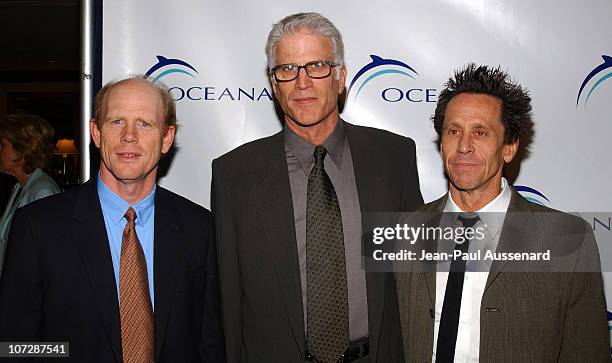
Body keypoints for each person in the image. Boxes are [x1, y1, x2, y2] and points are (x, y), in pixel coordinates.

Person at [212, 12, 423, 363]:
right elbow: (228, 300)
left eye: (317, 66)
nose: (302, 82)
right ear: (274, 83)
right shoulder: (234, 174)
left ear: (340, 78)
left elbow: (415, 279)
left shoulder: (393, 157)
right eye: (288, 69)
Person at [0, 77, 225, 362]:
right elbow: (14, 346)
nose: (129, 135)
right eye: (117, 121)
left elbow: (209, 346)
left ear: (166, 138)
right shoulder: (37, 227)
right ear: (96, 133)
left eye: (144, 123)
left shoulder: (199, 228)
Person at [394, 64, 609, 362]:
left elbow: (587, 352)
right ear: (442, 143)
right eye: (454, 131)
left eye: (480, 132)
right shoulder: (405, 231)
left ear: (508, 148)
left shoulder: (567, 240)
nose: (464, 146)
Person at [0, 114, 61, 275]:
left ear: (22, 150)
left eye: (2, 145)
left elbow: (49, 256)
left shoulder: (43, 191)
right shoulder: (22, 187)